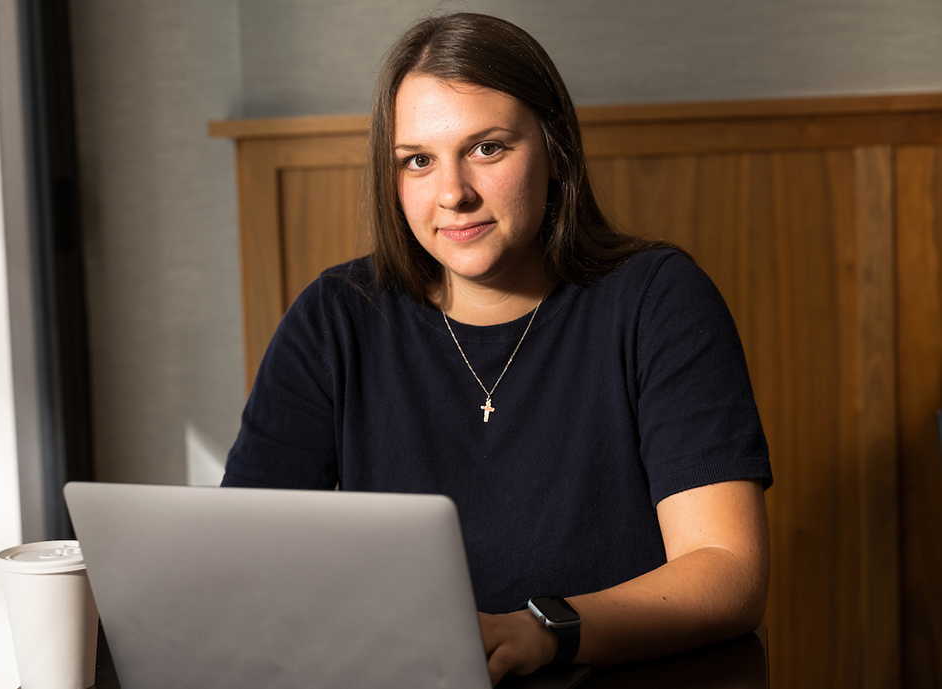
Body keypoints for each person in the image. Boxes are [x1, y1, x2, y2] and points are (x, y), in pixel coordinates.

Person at [222, 12, 772, 686]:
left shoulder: (659, 299)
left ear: (556, 147)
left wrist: (541, 630)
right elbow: (244, 563)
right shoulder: (336, 317)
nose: (452, 193)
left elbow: (727, 568)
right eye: (418, 161)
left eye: (487, 147)